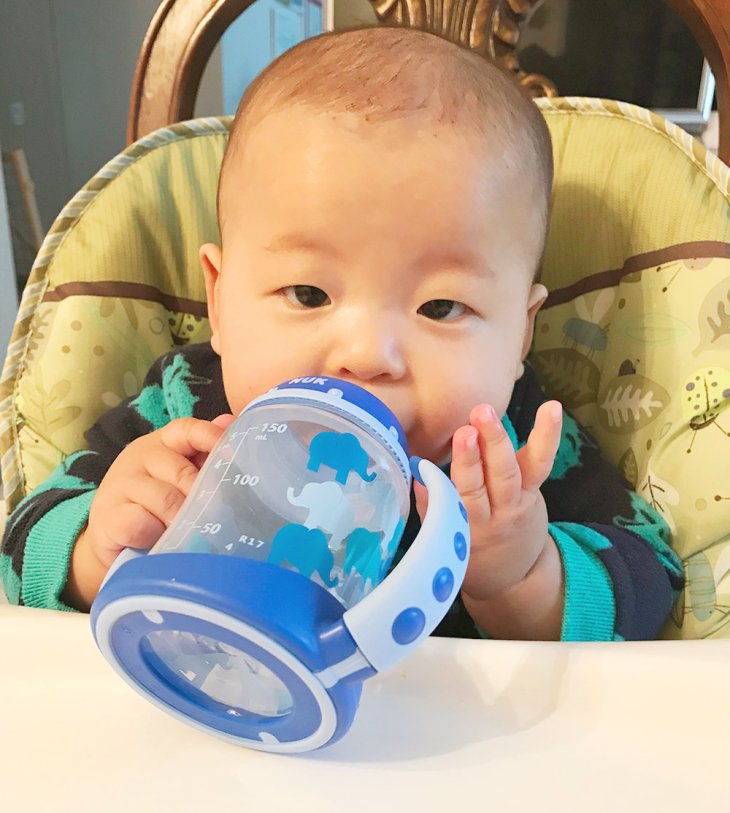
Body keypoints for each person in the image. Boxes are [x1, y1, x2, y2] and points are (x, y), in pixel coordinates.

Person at [0, 26, 683, 640]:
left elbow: (653, 578)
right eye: (308, 294)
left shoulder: (515, 451)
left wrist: (523, 575)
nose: (366, 355)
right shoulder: (183, 409)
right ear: (221, 302)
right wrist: (97, 546)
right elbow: (21, 547)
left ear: (519, 337)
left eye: (441, 307)